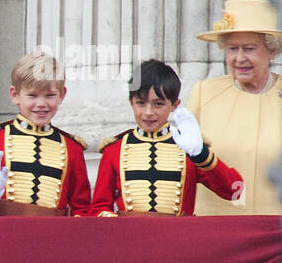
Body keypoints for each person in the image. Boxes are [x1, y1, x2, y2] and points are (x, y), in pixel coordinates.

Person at [92, 60, 242, 216]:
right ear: (131, 102)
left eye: (158, 104)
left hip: (177, 237)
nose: (148, 112)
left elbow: (234, 191)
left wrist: (201, 155)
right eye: (141, 103)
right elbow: (98, 208)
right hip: (129, 237)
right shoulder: (114, 149)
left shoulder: (189, 147)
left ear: (175, 105)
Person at [187, 0, 282, 215]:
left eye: (249, 49)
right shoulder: (205, 93)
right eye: (233, 49)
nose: (239, 58)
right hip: (216, 226)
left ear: (272, 51)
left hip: (276, 227)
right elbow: (182, 163)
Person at [0, 51, 92, 216]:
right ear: (15, 95)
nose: (41, 104)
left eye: (50, 95)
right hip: (2, 237)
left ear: (62, 95)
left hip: (54, 238)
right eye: (32, 95)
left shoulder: (72, 147)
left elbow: (82, 209)